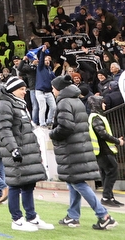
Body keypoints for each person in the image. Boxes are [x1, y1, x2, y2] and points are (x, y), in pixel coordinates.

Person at [49, 75, 117, 230]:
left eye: (53, 87)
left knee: (77, 182)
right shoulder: (76, 100)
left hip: (71, 148)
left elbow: (66, 127)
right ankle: (73, 216)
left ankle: (104, 216)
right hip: (77, 147)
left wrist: (52, 133)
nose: (52, 90)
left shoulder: (64, 102)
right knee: (73, 181)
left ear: (59, 88)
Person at [0, 77, 52, 232]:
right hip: (16, 151)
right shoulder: (4, 104)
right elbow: (4, 129)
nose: (24, 91)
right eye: (21, 89)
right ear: (13, 89)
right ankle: (17, 219)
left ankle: (31, 217)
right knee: (15, 185)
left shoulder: (19, 104)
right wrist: (13, 149)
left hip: (27, 150)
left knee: (28, 184)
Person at [87, 95, 124, 207]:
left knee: (106, 174)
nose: (105, 105)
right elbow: (103, 134)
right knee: (112, 172)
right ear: (97, 104)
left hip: (101, 150)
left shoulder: (95, 117)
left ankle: (109, 197)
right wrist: (117, 141)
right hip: (104, 150)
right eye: (102, 103)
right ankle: (107, 197)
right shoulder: (96, 117)